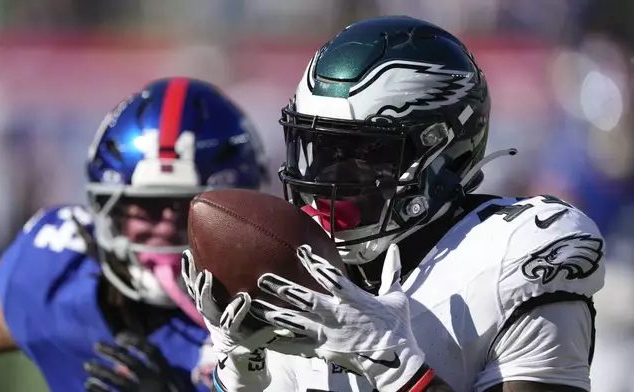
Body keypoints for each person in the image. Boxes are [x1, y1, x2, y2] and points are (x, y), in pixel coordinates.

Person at [181, 16, 605, 392]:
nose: (324, 177)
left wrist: (396, 369)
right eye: (318, 149)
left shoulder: (518, 252)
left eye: (362, 154)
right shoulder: (287, 260)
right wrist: (240, 374)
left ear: (444, 152)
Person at [0, 77, 268, 392]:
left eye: (190, 207)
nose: (165, 226)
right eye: (148, 207)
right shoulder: (58, 276)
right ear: (109, 211)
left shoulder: (281, 320)